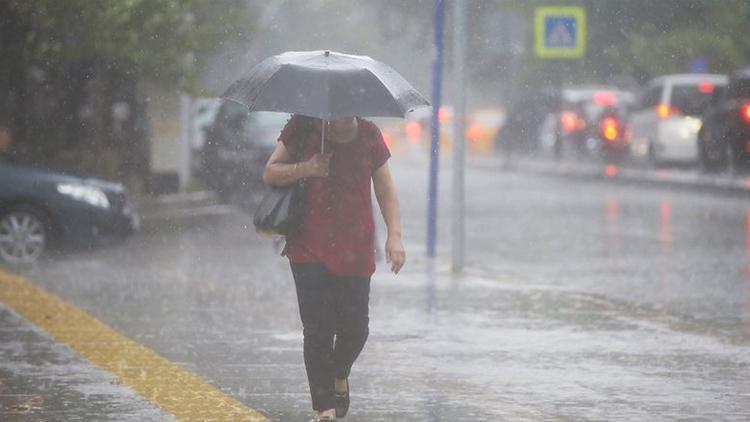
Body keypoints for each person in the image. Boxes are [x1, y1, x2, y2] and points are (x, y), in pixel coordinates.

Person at [263, 115, 405, 421]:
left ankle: (340, 374)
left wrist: (395, 235)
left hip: (356, 246)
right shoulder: (303, 127)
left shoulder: (368, 134)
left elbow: (384, 188)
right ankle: (324, 407)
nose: (342, 114)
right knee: (318, 329)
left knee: (356, 329)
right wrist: (308, 168)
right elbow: (271, 172)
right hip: (308, 245)